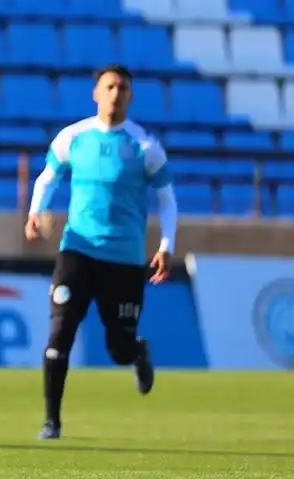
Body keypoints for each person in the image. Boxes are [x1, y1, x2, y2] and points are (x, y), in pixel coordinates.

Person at [24, 63, 179, 440]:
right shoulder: (73, 137)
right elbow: (48, 177)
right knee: (60, 331)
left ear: (130, 95)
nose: (115, 93)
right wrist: (35, 211)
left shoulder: (144, 146)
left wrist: (166, 246)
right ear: (96, 93)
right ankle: (52, 421)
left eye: (122, 88)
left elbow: (167, 199)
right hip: (78, 250)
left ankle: (137, 354)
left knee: (119, 348)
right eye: (109, 86)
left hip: (124, 260)